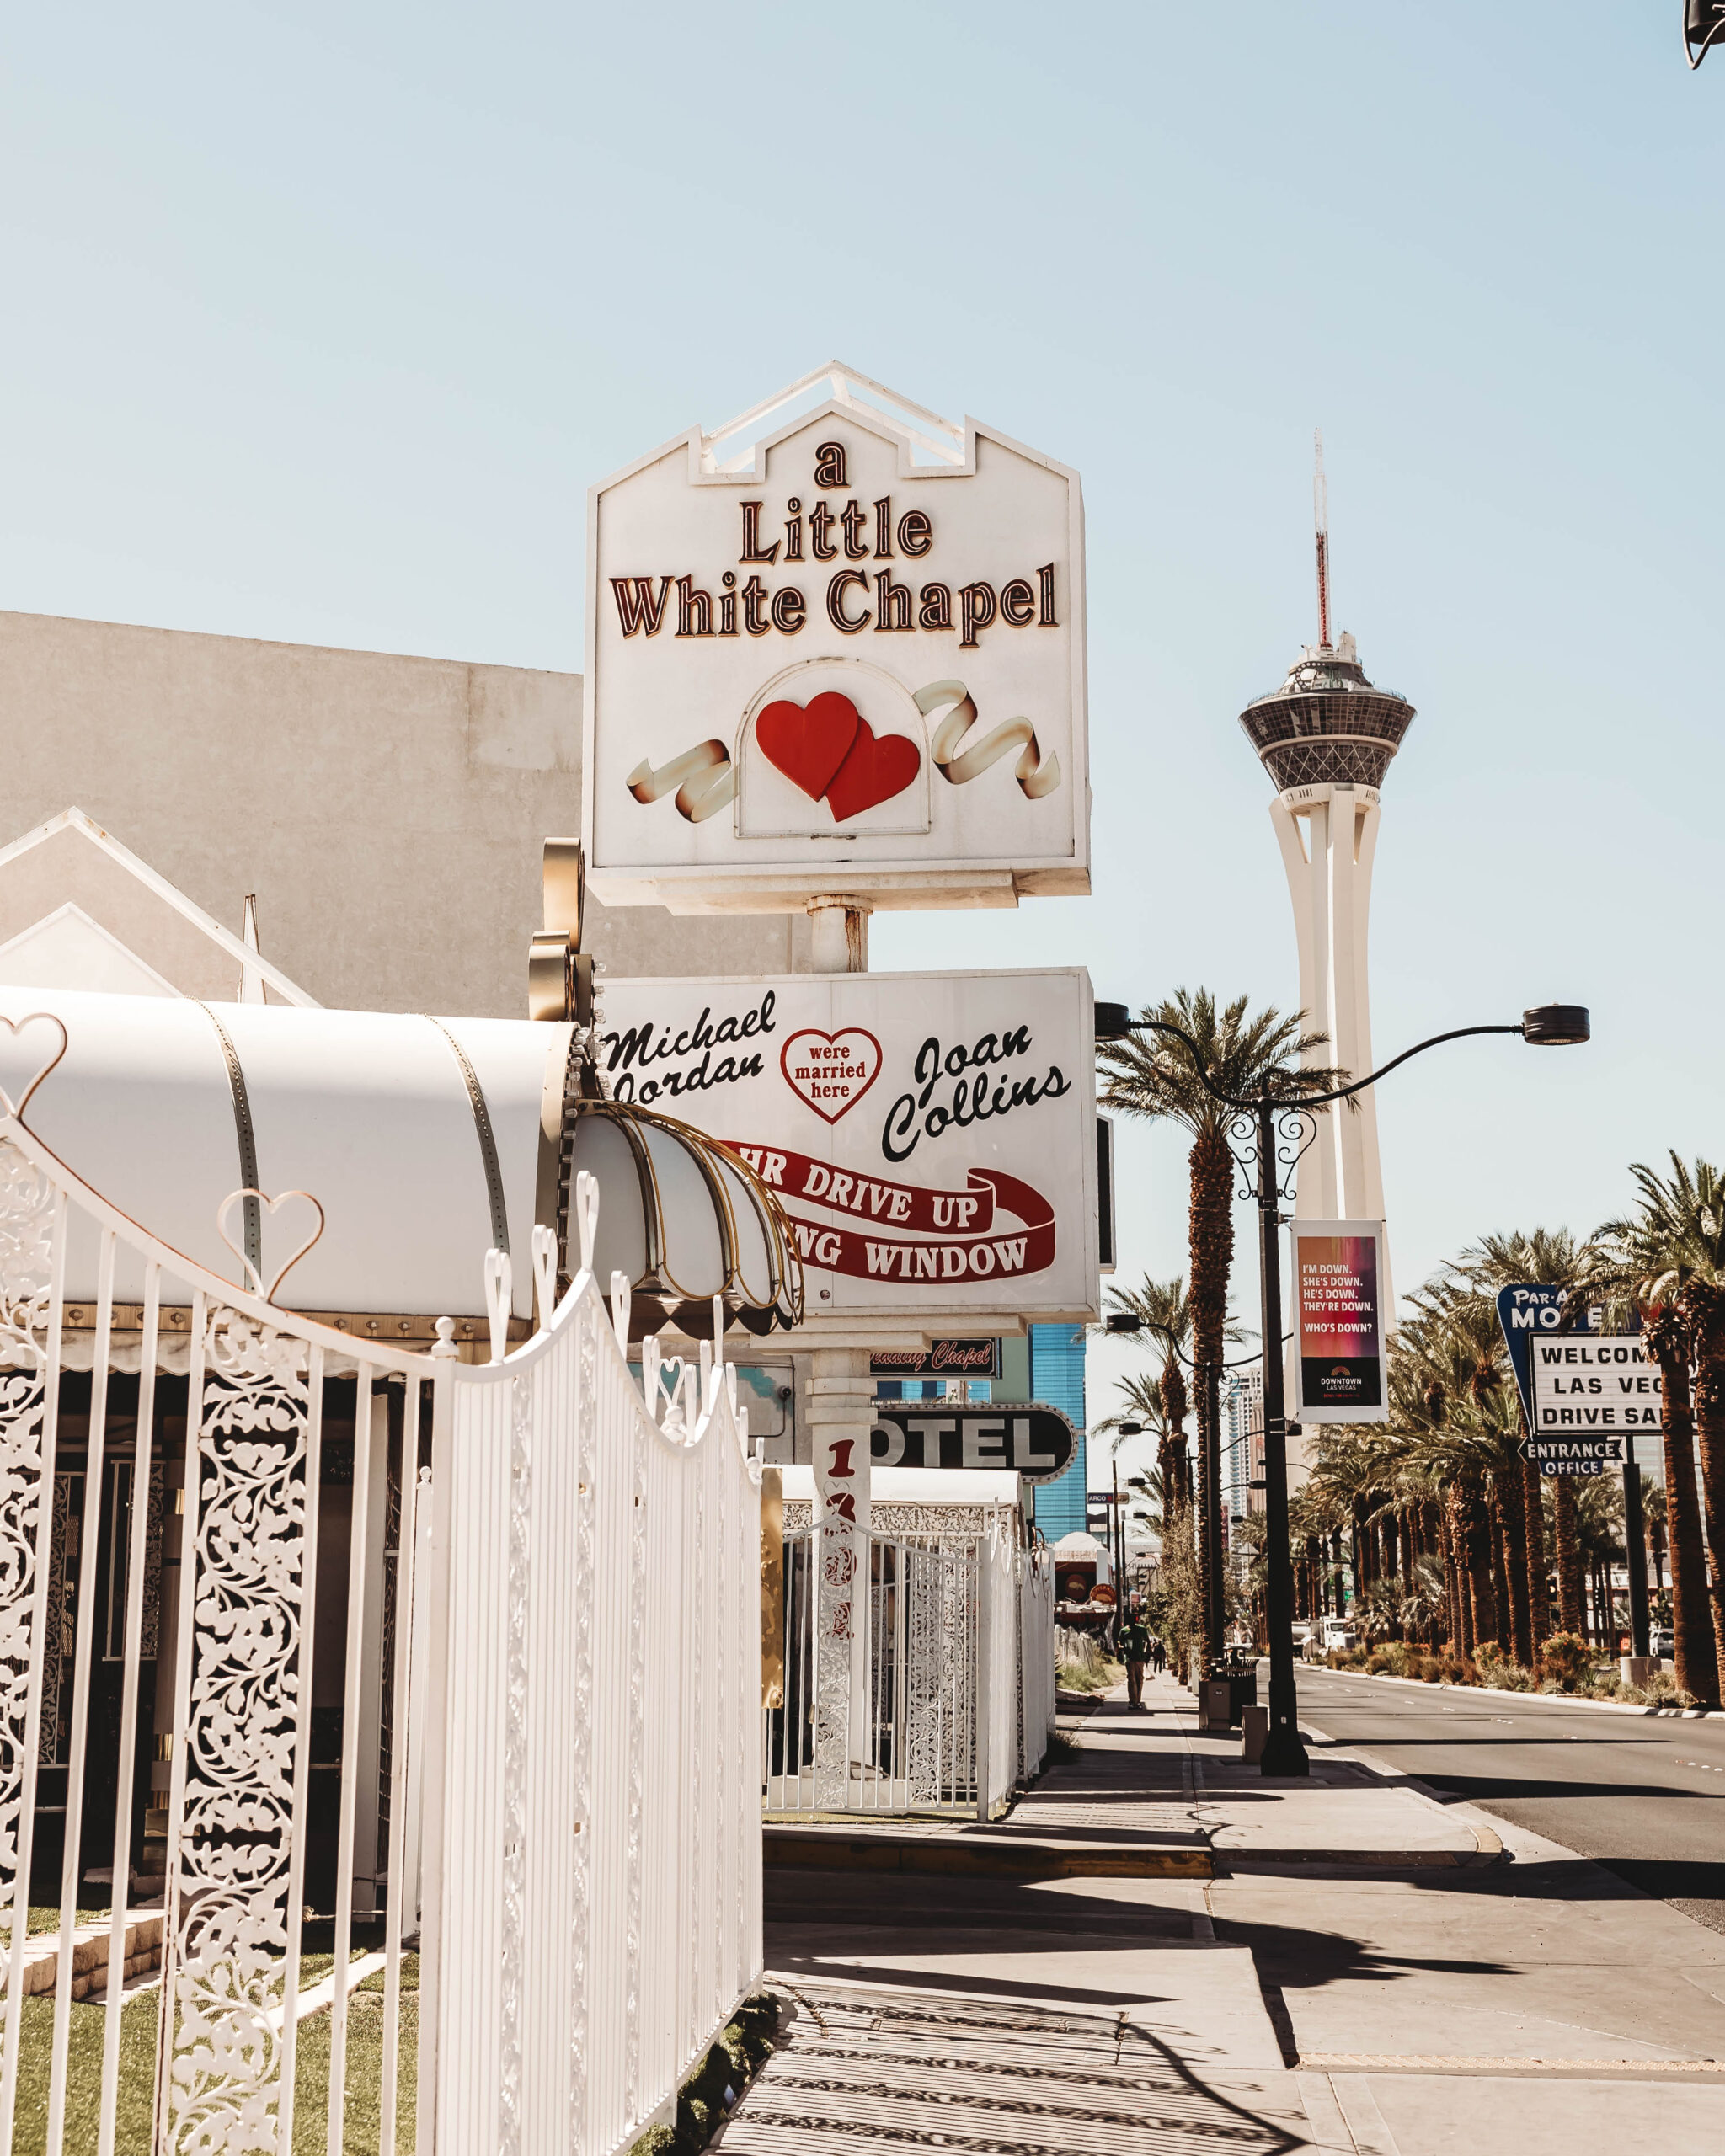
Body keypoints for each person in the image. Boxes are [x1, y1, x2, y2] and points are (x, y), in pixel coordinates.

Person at [1116, 1613, 1151, 1708]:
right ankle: (1133, 1701)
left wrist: (1146, 1654)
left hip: (1140, 1658)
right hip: (1129, 1659)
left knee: (1139, 1680)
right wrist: (1124, 1648)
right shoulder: (1124, 1631)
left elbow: (1148, 1641)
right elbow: (1120, 1644)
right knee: (1132, 1680)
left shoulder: (1142, 1629)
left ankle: (1137, 1701)